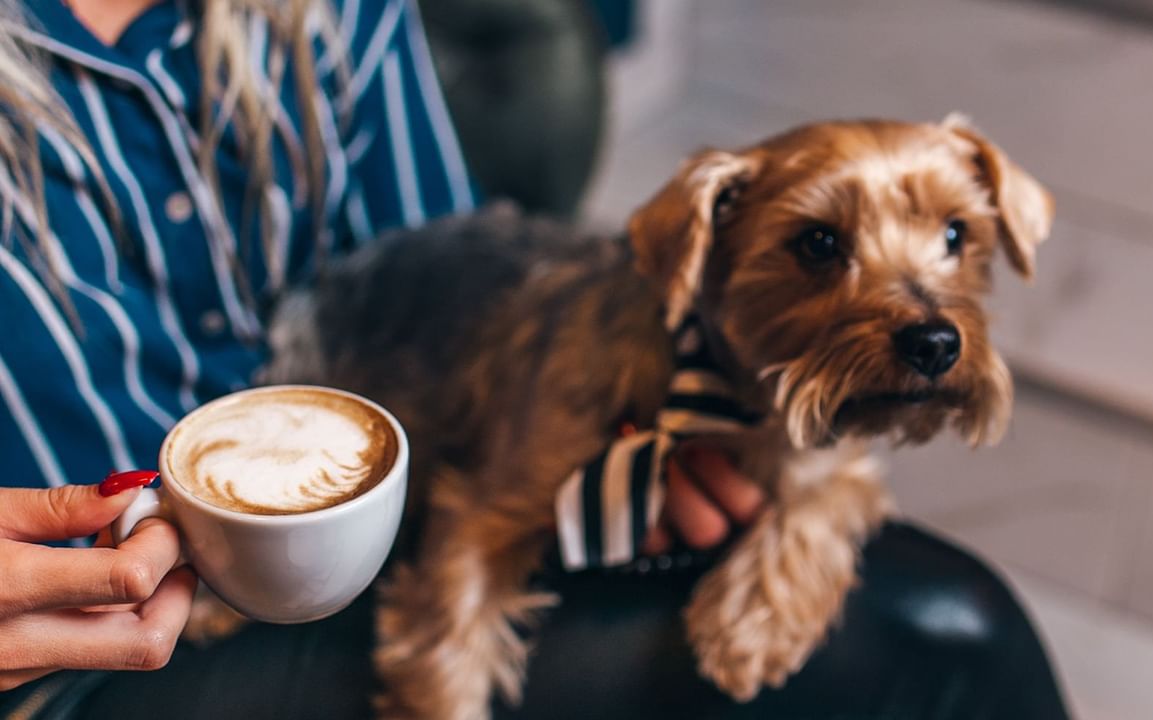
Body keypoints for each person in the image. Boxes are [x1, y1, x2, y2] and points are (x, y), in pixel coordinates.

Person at [0, 0, 1072, 717]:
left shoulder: (329, 13)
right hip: (72, 661)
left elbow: (441, 282)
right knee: (945, 632)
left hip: (374, 520)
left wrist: (656, 472)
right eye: (821, 248)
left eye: (953, 238)